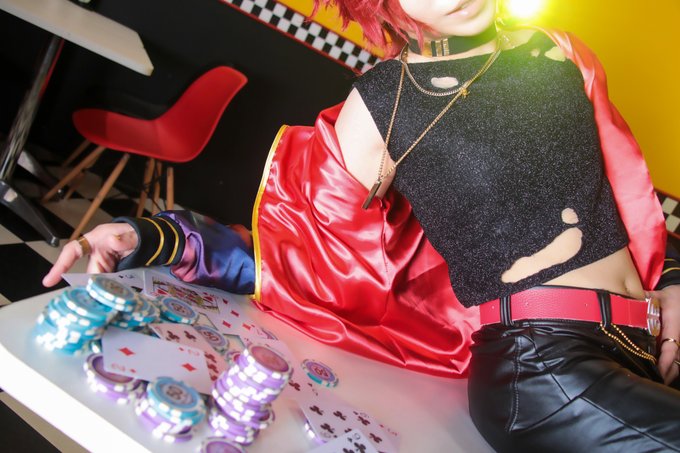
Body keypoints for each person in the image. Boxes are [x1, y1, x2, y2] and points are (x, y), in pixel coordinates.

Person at [44, 0, 680, 450]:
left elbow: (624, 201)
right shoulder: (383, 103)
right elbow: (304, 254)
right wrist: (153, 237)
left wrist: (674, 282)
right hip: (544, 369)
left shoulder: (559, 51)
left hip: (646, 343)